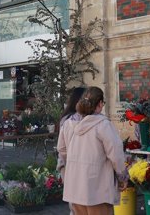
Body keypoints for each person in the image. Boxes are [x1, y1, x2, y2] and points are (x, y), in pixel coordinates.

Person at [57, 87, 127, 215]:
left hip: (75, 185)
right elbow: (116, 154)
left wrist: (75, 161)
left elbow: (61, 149)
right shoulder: (103, 124)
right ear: (100, 104)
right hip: (98, 187)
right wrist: (122, 176)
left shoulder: (68, 124)